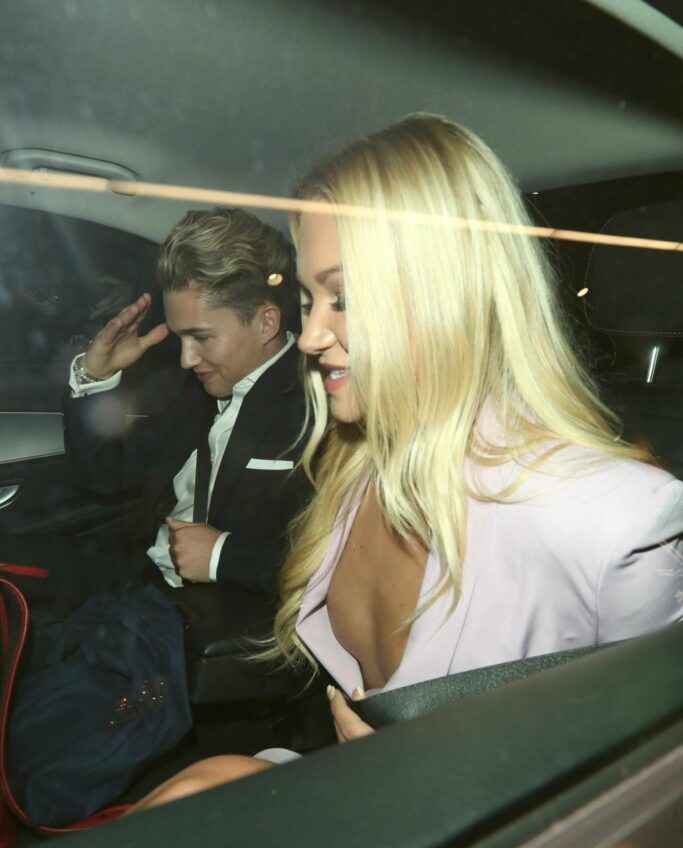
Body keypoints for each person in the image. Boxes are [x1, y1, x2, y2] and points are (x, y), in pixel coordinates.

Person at [130, 113, 683, 811]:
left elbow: (652, 798)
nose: (312, 335)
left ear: (449, 294)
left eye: (344, 298)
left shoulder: (617, 518)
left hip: (474, 835)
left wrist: (427, 778)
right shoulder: (357, 462)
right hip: (355, 791)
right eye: (308, 300)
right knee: (197, 786)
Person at [61, 207, 309, 599]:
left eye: (202, 337)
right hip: (143, 589)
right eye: (180, 338)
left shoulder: (317, 407)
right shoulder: (195, 390)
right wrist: (95, 376)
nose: (186, 359)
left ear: (266, 323)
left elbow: (345, 568)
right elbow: (105, 477)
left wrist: (223, 557)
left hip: (223, 620)